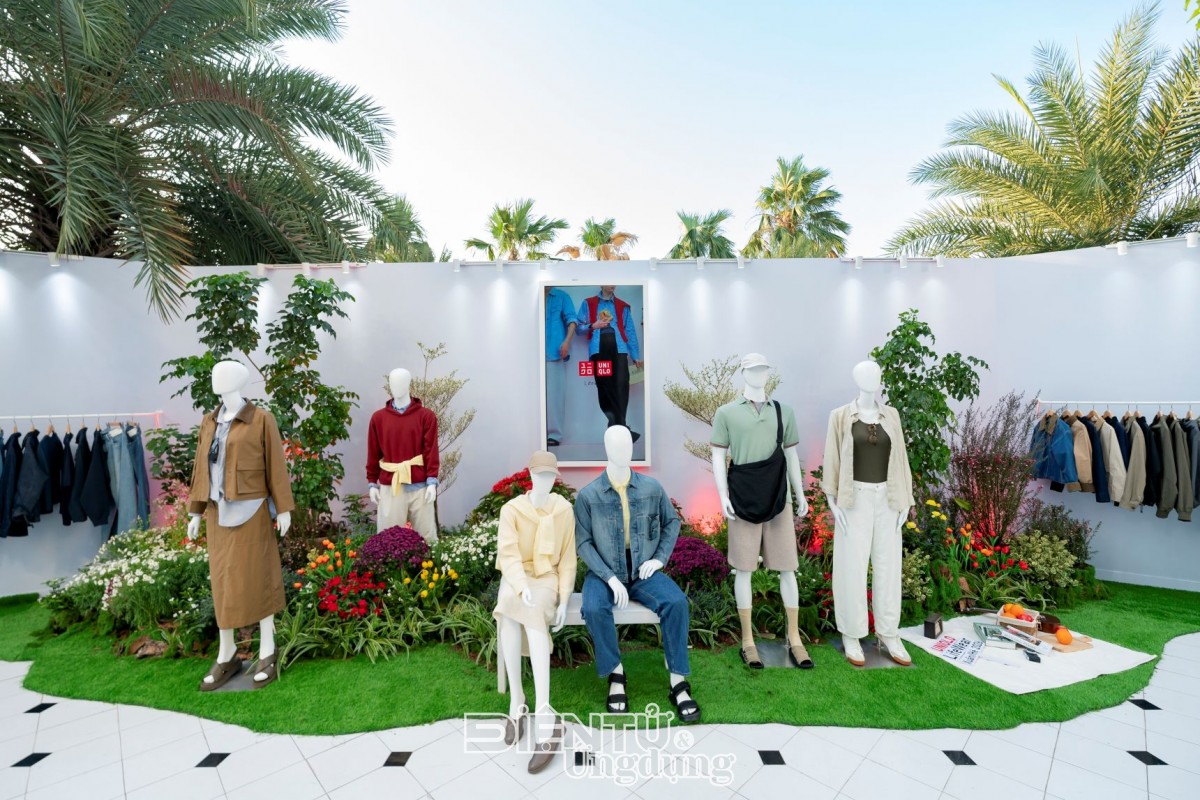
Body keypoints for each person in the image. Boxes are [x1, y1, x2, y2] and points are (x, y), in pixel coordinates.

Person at [576, 426, 700, 723]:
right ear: (606, 448)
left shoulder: (651, 488)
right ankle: (616, 675)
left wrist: (659, 559)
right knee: (593, 607)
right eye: (616, 445)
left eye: (627, 445)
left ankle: (678, 683)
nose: (624, 451)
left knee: (676, 603)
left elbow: (672, 522)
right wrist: (608, 576)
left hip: (643, 568)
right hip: (604, 571)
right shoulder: (589, 495)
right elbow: (583, 542)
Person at [494, 450, 575, 773]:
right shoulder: (512, 510)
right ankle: (517, 701)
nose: (545, 480)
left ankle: (544, 713)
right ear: (530, 475)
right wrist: (519, 583)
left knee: (534, 614)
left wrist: (564, 598)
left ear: (555, 477)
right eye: (539, 474)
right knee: (507, 608)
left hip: (546, 577)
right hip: (518, 575)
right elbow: (508, 553)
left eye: (549, 475)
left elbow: (567, 558)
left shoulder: (563, 510)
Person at [577, 286, 642, 442]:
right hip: (599, 350)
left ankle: (616, 427)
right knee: (604, 388)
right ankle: (622, 429)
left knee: (621, 388)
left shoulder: (622, 306)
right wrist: (593, 325)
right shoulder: (588, 303)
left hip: (620, 350)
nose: (612, 284)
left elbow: (630, 331)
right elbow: (578, 328)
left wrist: (635, 355)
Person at [544, 286, 577, 448]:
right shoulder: (532, 294)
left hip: (554, 351)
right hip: (531, 353)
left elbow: (572, 321)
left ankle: (554, 434)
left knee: (554, 396)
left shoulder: (562, 296)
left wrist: (566, 342)